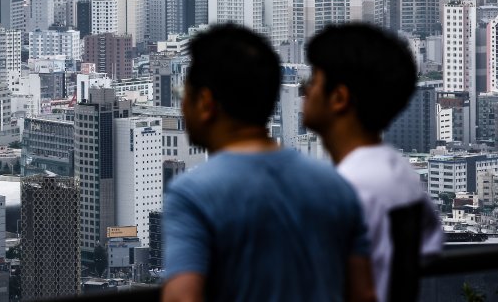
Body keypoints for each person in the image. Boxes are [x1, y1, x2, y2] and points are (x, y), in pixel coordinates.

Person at [162, 24, 376, 302]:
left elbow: (182, 298)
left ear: (205, 102)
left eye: (184, 95)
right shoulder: (336, 187)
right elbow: (365, 294)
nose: (182, 106)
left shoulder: (192, 194)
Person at [303, 23, 443, 302]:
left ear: (339, 98)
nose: (304, 89)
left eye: (314, 79)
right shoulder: (401, 175)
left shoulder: (343, 191)